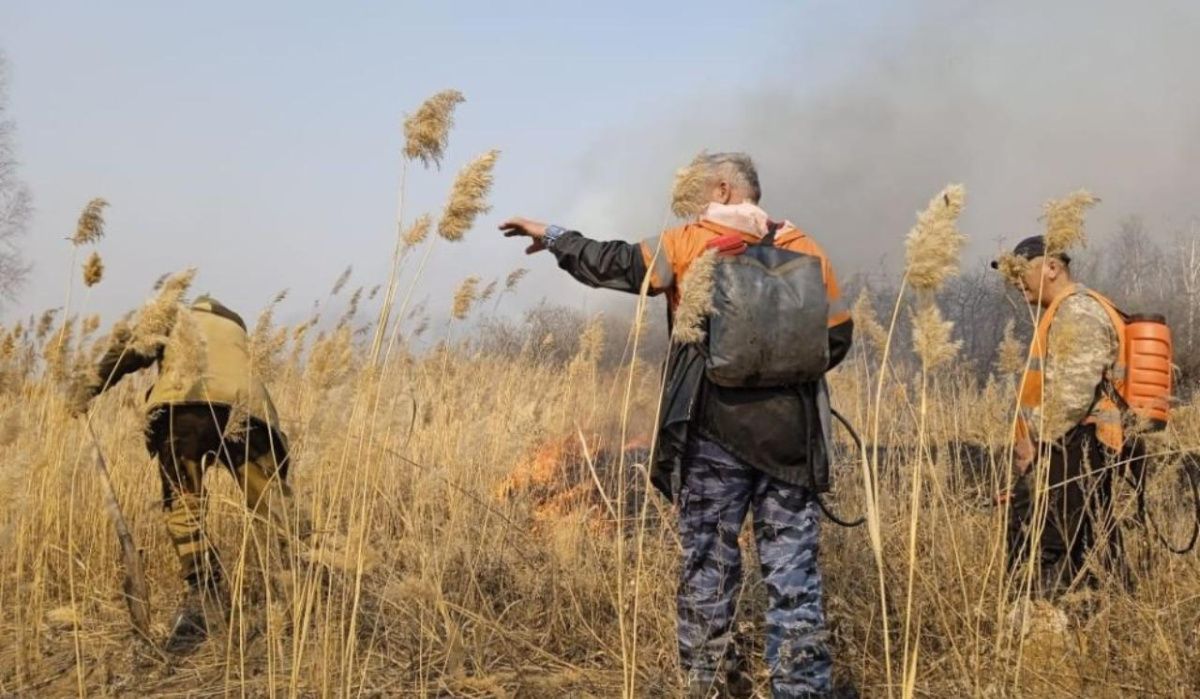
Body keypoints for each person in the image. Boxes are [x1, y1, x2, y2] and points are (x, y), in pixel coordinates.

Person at [501, 153, 854, 699]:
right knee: (793, 577)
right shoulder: (805, 248)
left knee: (708, 570)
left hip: (713, 438)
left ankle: (711, 686)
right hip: (790, 440)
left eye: (697, 196)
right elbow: (836, 338)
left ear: (724, 188)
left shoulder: (690, 244)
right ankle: (803, 688)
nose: (693, 208)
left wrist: (553, 235)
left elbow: (612, 263)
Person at [80, 295, 307, 653]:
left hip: (182, 408)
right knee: (274, 507)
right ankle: (301, 591)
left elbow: (130, 352)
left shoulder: (173, 315)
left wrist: (88, 388)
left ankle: (206, 592)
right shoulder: (237, 329)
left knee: (184, 508)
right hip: (250, 410)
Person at [993, 236, 1130, 598]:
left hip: (1077, 448)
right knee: (1087, 548)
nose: (1015, 280)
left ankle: (1049, 635)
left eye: (1022, 270)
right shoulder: (1066, 310)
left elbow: (1072, 395)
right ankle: (1094, 627)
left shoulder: (1079, 311)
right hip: (1070, 447)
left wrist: (1032, 440)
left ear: (1052, 267)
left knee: (1053, 549)